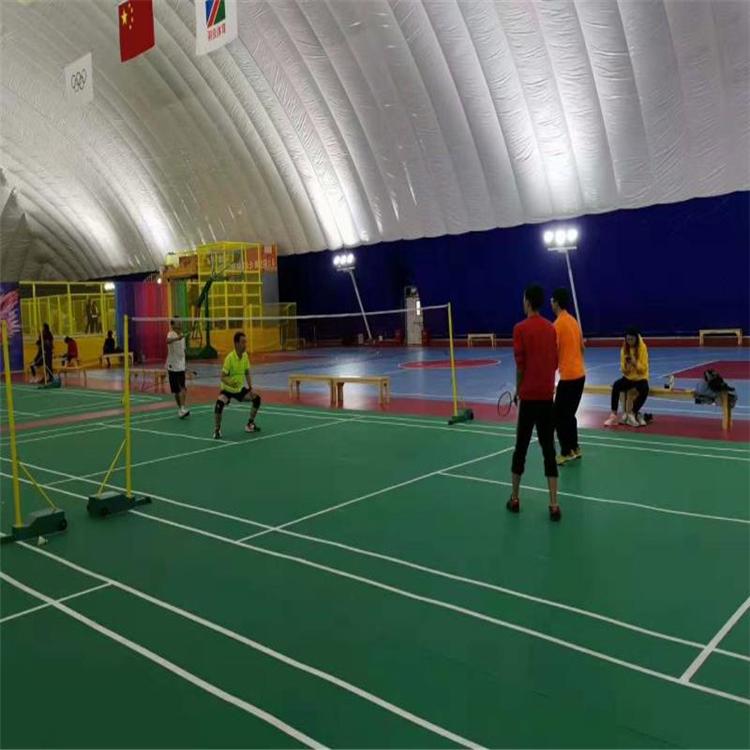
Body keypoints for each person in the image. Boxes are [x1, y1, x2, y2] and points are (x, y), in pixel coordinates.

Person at [507, 285, 561, 521]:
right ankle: (554, 504)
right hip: (547, 398)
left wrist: (518, 390)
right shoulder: (551, 328)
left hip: (528, 399)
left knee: (520, 448)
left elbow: (520, 366)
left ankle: (515, 498)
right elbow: (555, 362)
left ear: (528, 301)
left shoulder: (519, 329)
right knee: (549, 450)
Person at [551, 288, 586, 465]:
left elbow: (553, 355)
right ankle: (575, 448)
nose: (551, 303)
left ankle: (566, 452)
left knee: (558, 416)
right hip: (580, 375)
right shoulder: (573, 321)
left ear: (557, 303)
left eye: (552, 300)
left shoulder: (557, 325)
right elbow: (582, 348)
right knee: (569, 414)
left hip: (569, 377)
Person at [213, 331, 261, 439]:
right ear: (236, 343)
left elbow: (247, 372)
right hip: (227, 390)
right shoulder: (229, 358)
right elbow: (222, 377)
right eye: (243, 342)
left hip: (239, 390)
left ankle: (250, 424)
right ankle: (217, 430)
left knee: (256, 398)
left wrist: (251, 388)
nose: (245, 345)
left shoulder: (245, 356)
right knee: (219, 404)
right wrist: (230, 382)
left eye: (245, 342)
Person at [604, 328, 650, 428]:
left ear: (636, 339)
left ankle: (632, 413)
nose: (629, 342)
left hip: (641, 378)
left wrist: (634, 363)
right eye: (628, 339)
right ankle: (613, 414)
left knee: (645, 389)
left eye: (631, 339)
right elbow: (624, 370)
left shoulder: (642, 348)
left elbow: (643, 369)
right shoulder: (624, 349)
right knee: (616, 385)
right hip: (629, 378)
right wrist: (627, 367)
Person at [166, 320, 190, 419]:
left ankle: (183, 408)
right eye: (177, 322)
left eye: (180, 322)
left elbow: (183, 351)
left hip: (181, 366)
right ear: (172, 325)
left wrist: (185, 364)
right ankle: (180, 409)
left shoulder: (182, 335)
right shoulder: (171, 334)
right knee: (176, 391)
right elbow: (167, 341)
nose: (180, 323)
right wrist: (177, 338)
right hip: (172, 366)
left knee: (182, 388)